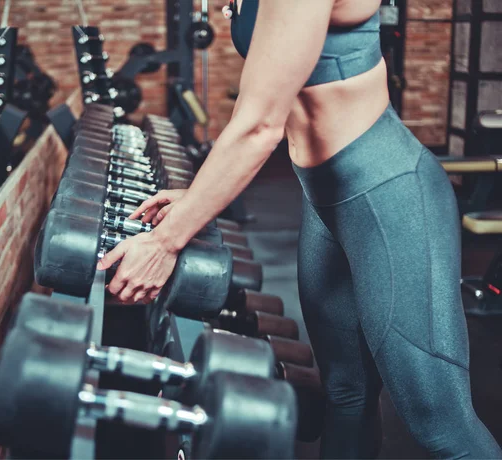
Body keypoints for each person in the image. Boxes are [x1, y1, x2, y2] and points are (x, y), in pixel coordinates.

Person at [99, 0, 502, 457]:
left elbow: (258, 127)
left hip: (390, 197)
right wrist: (195, 201)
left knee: (440, 423)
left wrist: (165, 242)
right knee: (345, 397)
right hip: (325, 199)